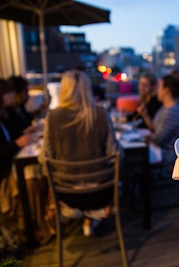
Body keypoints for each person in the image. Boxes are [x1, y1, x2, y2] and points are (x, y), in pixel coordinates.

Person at [38, 70, 121, 237]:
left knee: (41, 174)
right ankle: (94, 217)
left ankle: (53, 223)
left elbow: (44, 157)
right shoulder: (101, 114)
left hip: (67, 196)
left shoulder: (53, 117)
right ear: (87, 89)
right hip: (99, 195)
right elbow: (115, 153)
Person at [137, 74, 179, 167]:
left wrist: (148, 139)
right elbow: (155, 128)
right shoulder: (165, 107)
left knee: (136, 155)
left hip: (166, 154)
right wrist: (145, 115)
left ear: (166, 91)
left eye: (160, 87)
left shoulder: (172, 111)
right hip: (160, 148)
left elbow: (157, 140)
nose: (157, 90)